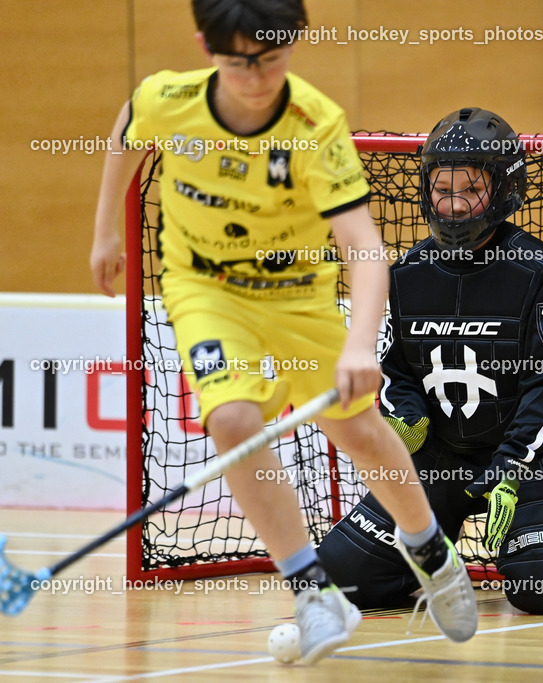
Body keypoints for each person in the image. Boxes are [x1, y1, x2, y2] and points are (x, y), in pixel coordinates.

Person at [89, 0, 476, 663]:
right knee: (233, 420)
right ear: (205, 47)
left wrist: (360, 343)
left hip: (295, 296)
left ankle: (431, 552)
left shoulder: (314, 125)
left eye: (272, 56)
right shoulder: (168, 99)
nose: (258, 74)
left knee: (356, 428)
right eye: (240, 60)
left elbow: (363, 248)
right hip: (205, 289)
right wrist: (105, 228)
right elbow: (129, 124)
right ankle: (312, 588)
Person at [318, 107, 543, 615]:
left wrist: (513, 463)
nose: (453, 205)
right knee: (341, 579)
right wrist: (405, 416)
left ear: (503, 190)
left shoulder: (538, 269)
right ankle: (438, 555)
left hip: (527, 459)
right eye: (442, 188)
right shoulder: (407, 272)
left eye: (469, 190)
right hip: (440, 457)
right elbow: (396, 369)